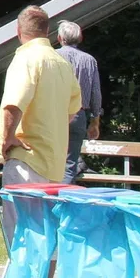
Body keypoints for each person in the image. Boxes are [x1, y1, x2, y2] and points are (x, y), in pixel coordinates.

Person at [0, 6, 81, 241]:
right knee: (47, 233)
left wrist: (8, 137)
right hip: (53, 161)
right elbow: (72, 113)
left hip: (26, 158)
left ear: (18, 30)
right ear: (48, 32)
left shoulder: (25, 58)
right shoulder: (62, 64)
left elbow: (14, 104)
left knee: (21, 234)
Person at [56, 21, 103, 183]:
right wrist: (95, 122)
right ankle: (64, 202)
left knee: (50, 161)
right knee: (70, 164)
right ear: (80, 38)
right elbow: (95, 94)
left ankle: (48, 201)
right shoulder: (89, 60)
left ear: (59, 38)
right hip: (78, 115)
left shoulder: (52, 57)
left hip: (54, 114)